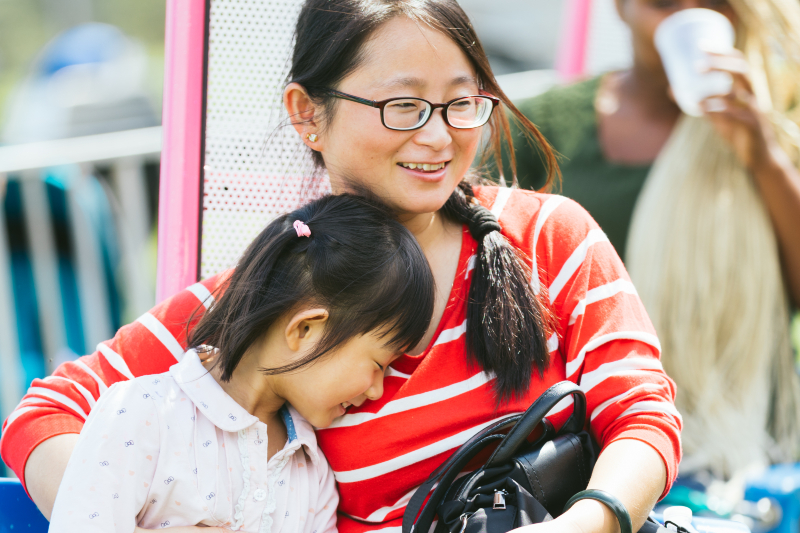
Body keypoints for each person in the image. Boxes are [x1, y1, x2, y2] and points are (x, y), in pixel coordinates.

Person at [1, 1, 682, 532]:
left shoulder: (550, 236)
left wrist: (589, 519)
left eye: (461, 101)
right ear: (308, 115)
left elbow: (643, 411)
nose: (439, 135)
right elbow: (44, 414)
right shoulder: (267, 297)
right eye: (404, 105)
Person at [509, 0, 800, 481]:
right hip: (603, 443)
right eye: (663, 3)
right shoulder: (545, 125)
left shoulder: (780, 113)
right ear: (621, 7)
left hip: (754, 442)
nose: (687, 14)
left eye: (713, 2)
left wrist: (764, 155)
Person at [47, 194, 435, 532]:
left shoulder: (310, 469)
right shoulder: (142, 415)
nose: (377, 389)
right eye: (379, 363)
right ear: (304, 330)